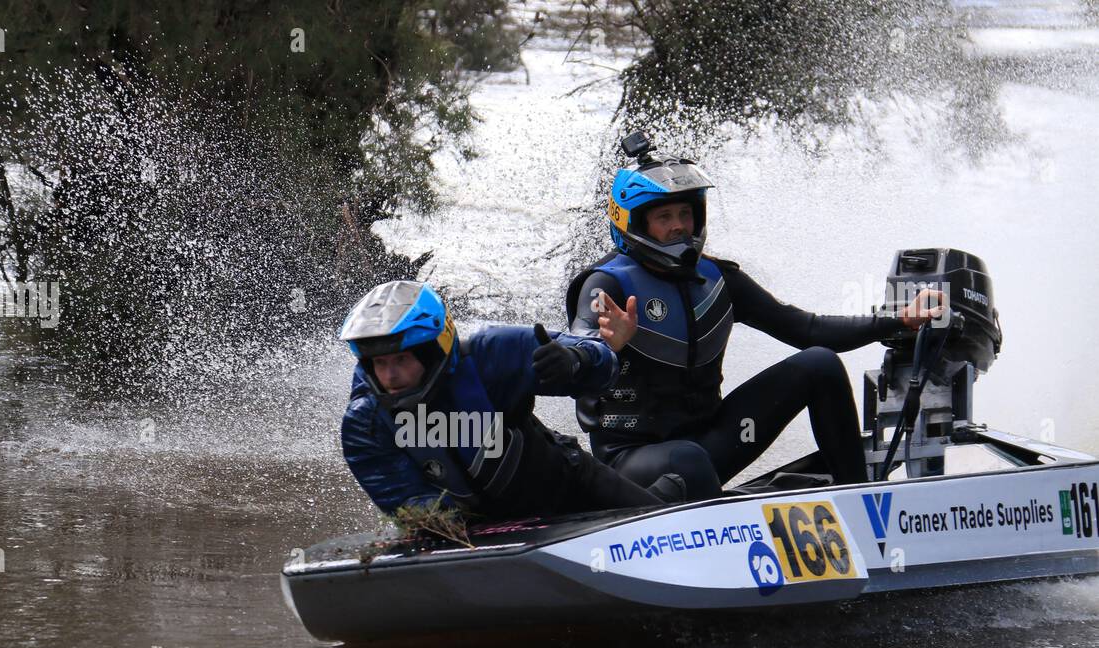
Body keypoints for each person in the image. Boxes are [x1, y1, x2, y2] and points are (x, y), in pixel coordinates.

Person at [566, 131, 947, 501]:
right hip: (634, 461)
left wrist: (898, 320)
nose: (679, 225)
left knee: (819, 365)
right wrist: (606, 347)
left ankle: (860, 501)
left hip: (714, 443)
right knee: (688, 459)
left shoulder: (717, 279)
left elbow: (806, 328)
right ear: (634, 223)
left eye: (685, 213)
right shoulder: (606, 286)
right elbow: (571, 360)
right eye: (664, 217)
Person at [339, 279, 686, 521]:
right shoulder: (365, 422)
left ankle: (666, 496)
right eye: (380, 363)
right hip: (480, 528)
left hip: (568, 483)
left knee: (665, 523)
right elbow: (403, 497)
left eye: (401, 360)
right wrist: (440, 528)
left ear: (434, 351)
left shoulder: (490, 352)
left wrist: (574, 361)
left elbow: (597, 358)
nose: (390, 376)